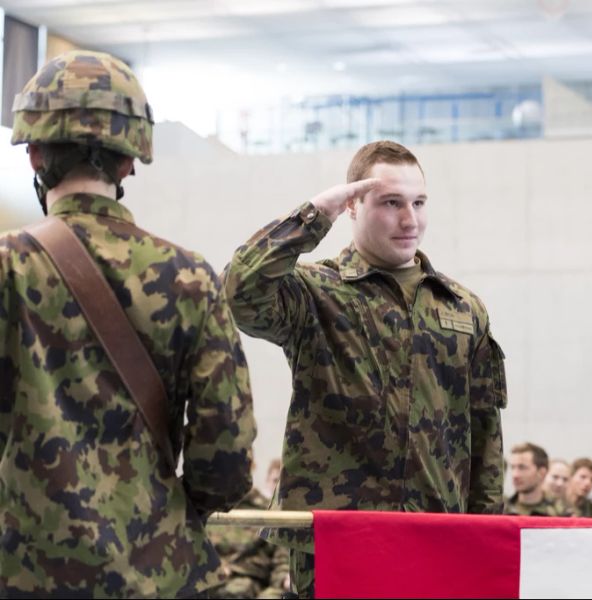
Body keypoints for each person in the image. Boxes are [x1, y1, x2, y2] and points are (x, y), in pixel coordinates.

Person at [0, 51, 256, 597]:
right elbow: (226, 459)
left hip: (21, 572)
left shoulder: (6, 266)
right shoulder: (190, 277)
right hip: (157, 573)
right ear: (128, 164)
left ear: (35, 155)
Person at [223, 140, 507, 597]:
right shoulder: (316, 292)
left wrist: (483, 535)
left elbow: (484, 437)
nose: (410, 219)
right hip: (336, 538)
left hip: (434, 536)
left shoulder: (462, 308)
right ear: (353, 205)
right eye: (391, 203)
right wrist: (315, 214)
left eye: (418, 203)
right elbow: (239, 292)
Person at [208, 486, 291, 599]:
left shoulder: (268, 511)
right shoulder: (205, 506)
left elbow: (282, 560)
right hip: (209, 579)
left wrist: (282, 581)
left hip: (248, 581)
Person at [504, 443, 562, 516]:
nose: (515, 475)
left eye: (522, 467)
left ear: (541, 473)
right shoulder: (502, 509)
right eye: (513, 467)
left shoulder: (560, 513)